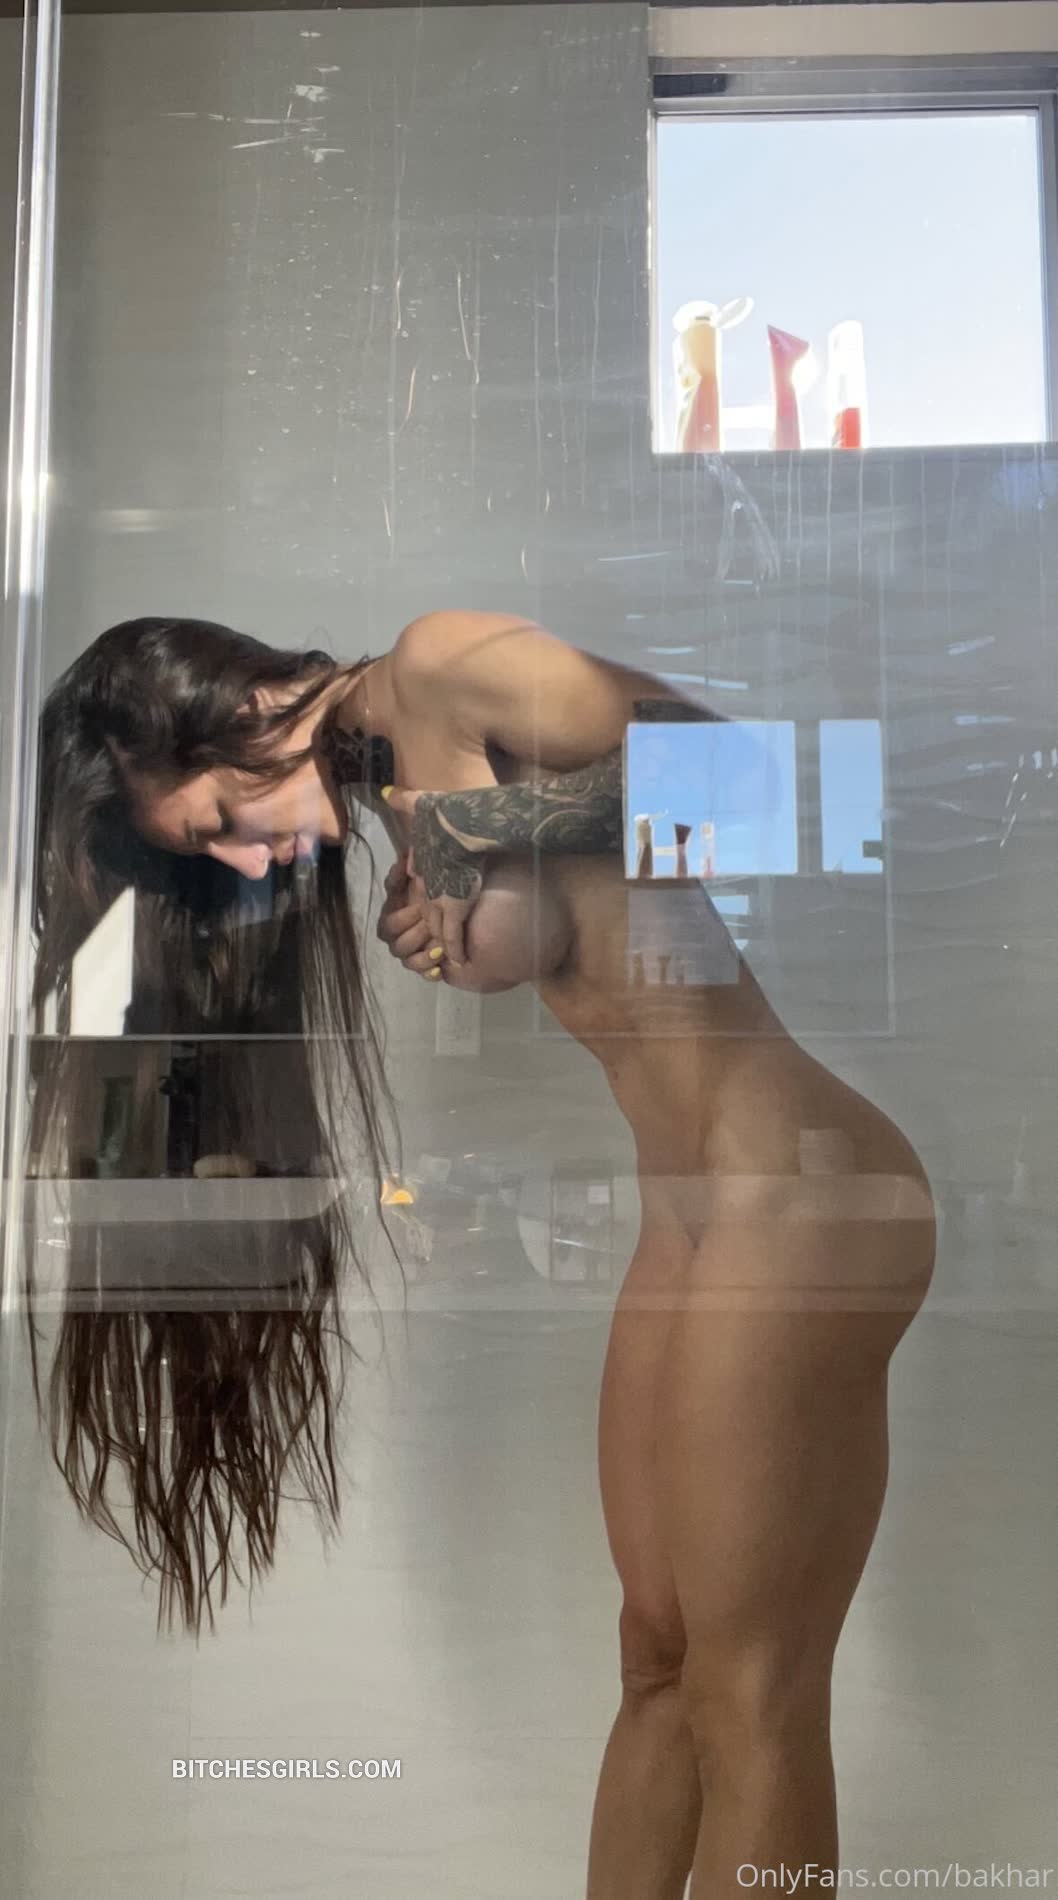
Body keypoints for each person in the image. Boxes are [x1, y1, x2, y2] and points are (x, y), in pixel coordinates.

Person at [33, 610, 935, 1893]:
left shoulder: (443, 663)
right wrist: (458, 898)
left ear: (235, 709)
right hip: (691, 1210)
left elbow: (749, 775)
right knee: (655, 1661)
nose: (245, 856)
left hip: (796, 1185)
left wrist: (482, 832)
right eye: (209, 851)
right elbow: (585, 905)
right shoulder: (392, 771)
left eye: (220, 816)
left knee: (752, 1691)